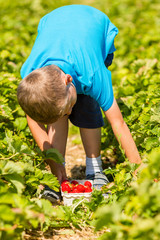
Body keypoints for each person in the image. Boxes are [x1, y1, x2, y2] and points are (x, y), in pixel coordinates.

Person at [17, 5, 141, 202]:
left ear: (68, 80)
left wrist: (139, 175)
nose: (69, 113)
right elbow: (33, 121)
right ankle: (57, 175)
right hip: (52, 22)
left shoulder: (92, 73)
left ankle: (95, 168)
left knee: (88, 101)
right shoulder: (31, 78)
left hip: (94, 24)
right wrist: (53, 163)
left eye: (67, 109)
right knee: (56, 109)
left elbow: (118, 123)